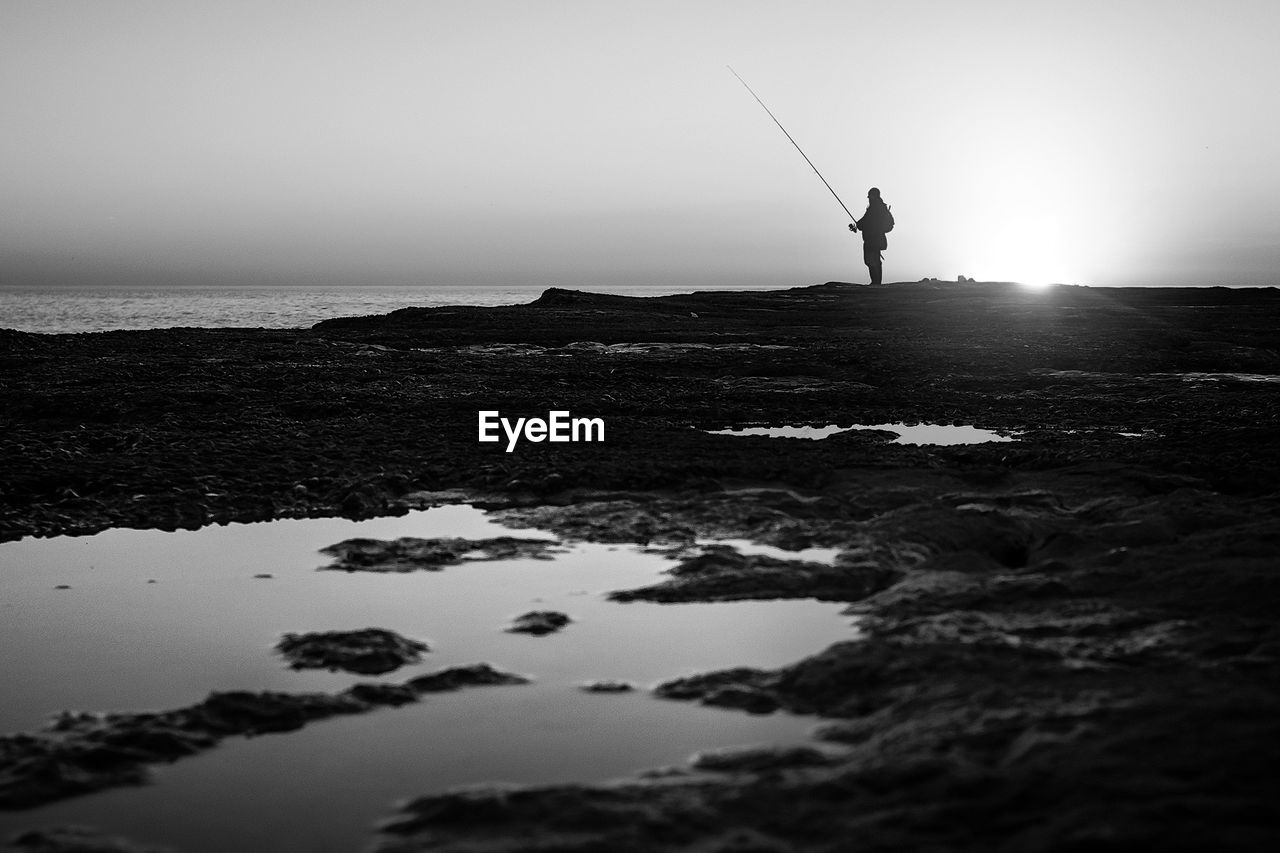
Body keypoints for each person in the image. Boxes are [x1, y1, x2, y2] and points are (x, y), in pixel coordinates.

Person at [848, 188, 894, 285]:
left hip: (872, 239)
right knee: (874, 260)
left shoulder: (875, 208)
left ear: (874, 196)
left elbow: (867, 221)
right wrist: (858, 225)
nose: (869, 198)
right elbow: (865, 221)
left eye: (870, 196)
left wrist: (858, 225)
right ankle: (876, 282)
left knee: (871, 260)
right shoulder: (878, 207)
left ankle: (876, 282)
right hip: (876, 239)